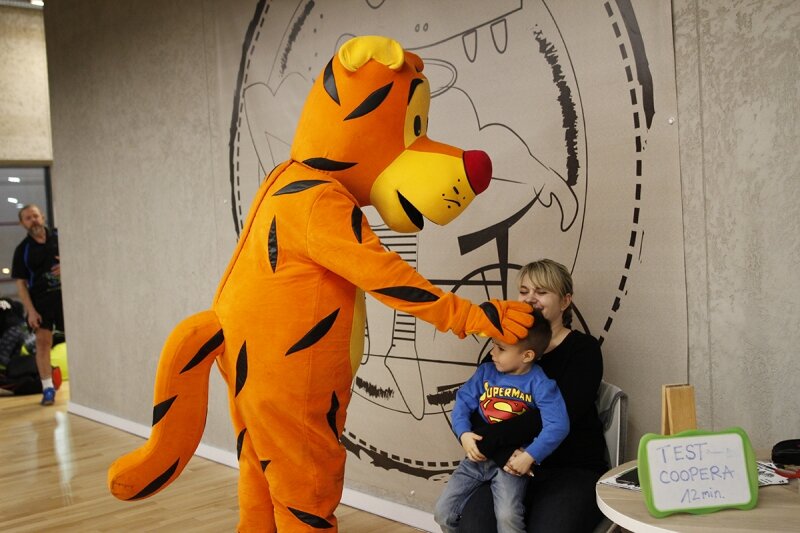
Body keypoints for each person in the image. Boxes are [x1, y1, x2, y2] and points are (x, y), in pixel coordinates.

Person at [456, 259, 608, 533]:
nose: (530, 299)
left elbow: (559, 415)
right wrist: (506, 455)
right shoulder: (503, 350)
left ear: (565, 301)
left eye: (542, 292)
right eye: (524, 291)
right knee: (472, 526)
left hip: (570, 467)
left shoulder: (583, 350)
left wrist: (506, 445)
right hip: (505, 465)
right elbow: (479, 411)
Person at [434, 309, 569, 533]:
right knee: (443, 512)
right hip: (476, 460)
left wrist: (530, 455)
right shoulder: (485, 372)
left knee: (508, 518)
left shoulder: (541, 383)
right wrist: (463, 433)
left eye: (501, 348)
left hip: (511, 467)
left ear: (527, 355)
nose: (492, 352)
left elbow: (558, 425)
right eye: (493, 345)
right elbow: (462, 403)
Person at [11, 204, 63, 406]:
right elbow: (21, 284)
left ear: (42, 216)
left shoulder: (61, 237)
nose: (33, 220)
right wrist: (31, 311)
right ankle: (48, 388)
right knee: (43, 344)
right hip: (41, 303)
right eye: (27, 218)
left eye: (35, 216)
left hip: (68, 299)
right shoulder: (22, 250)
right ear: (22, 223)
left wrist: (67, 266)